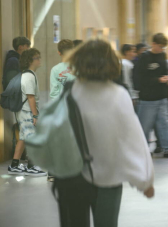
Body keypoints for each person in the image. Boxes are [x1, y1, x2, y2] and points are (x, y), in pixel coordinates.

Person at [55, 39, 154, 227]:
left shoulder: (70, 92)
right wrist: (144, 180)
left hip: (73, 177)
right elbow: (133, 140)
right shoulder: (118, 94)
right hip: (109, 176)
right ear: (110, 63)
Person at [133, 33, 168, 157]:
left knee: (164, 124)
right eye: (160, 46)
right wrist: (157, 80)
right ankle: (142, 149)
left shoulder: (162, 55)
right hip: (148, 98)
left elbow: (164, 71)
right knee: (145, 126)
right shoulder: (144, 58)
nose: (161, 49)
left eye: (163, 47)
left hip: (162, 96)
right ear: (153, 44)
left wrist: (166, 78)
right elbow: (139, 79)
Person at [7, 48, 47, 176]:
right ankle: (31, 165)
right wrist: (35, 115)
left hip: (23, 111)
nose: (39, 60)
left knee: (23, 138)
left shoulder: (28, 74)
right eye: (37, 58)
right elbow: (31, 97)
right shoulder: (29, 76)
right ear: (30, 60)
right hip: (27, 112)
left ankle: (14, 165)